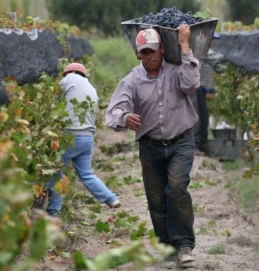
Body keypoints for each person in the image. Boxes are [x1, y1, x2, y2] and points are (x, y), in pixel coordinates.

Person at [105, 26, 200, 266]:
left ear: (163, 50)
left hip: (181, 141)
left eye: (153, 51)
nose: (149, 57)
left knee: (176, 189)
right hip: (150, 147)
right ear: (138, 54)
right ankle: (168, 247)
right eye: (144, 52)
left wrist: (185, 46)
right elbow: (113, 111)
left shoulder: (177, 70)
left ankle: (184, 246)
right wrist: (125, 118)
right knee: (156, 200)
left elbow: (192, 84)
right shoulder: (132, 80)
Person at [46, 63, 121, 216]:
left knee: (55, 175)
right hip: (87, 138)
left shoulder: (69, 79)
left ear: (69, 72)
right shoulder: (91, 88)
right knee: (87, 174)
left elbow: (51, 98)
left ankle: (52, 213)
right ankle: (111, 198)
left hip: (70, 136)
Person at [191, 33, 224, 153]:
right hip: (194, 88)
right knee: (197, 118)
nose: (213, 42)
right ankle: (194, 145)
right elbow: (216, 59)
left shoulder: (204, 52)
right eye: (211, 39)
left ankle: (201, 144)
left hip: (201, 88)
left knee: (203, 118)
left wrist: (210, 90)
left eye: (214, 40)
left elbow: (215, 68)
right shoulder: (201, 50)